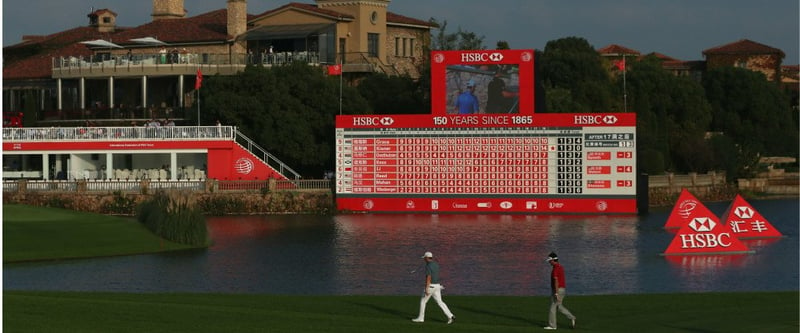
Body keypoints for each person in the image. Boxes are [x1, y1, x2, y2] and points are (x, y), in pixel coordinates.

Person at [412, 252, 455, 324]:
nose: (424, 259)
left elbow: (428, 277)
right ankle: (450, 316)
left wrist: (426, 288)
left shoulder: (428, 266)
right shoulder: (436, 264)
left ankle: (421, 318)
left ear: (426, 258)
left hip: (431, 286)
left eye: (424, 258)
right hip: (437, 286)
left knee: (423, 301)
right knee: (440, 302)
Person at [544, 252, 576, 330]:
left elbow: (556, 281)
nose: (549, 262)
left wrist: (556, 293)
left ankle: (552, 326)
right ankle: (572, 317)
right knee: (559, 306)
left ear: (553, 260)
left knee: (552, 307)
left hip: (558, 289)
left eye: (549, 261)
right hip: (562, 289)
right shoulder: (560, 267)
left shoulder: (555, 269)